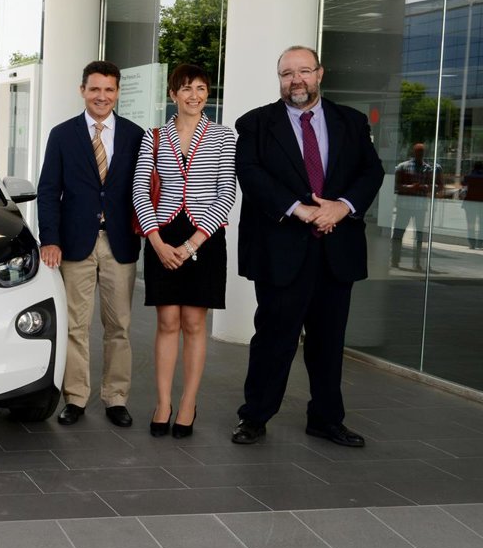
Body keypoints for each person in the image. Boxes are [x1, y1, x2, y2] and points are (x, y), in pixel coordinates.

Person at [232, 45, 383, 447]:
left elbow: (371, 171)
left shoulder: (351, 121)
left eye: (303, 71)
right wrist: (299, 209)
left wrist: (341, 207)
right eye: (287, 74)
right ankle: (254, 417)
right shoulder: (255, 123)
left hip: (337, 248)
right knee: (273, 339)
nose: (295, 80)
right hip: (282, 249)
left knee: (329, 342)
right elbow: (250, 173)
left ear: (320, 73)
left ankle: (326, 419)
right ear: (279, 79)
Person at [37, 60, 144, 427]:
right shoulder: (62, 135)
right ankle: (76, 397)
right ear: (82, 90)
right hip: (74, 245)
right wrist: (50, 239)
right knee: (74, 326)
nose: (102, 96)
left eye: (109, 89)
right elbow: (48, 191)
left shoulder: (135, 135)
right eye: (95, 89)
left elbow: (143, 189)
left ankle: (116, 398)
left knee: (119, 327)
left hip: (120, 243)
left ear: (118, 92)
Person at [132, 64, 237, 438]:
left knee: (194, 323)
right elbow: (139, 189)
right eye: (187, 88)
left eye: (201, 88)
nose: (194, 95)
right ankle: (163, 403)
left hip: (204, 237)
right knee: (167, 323)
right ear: (173, 94)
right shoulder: (153, 136)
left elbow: (227, 193)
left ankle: (188, 403)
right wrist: (157, 242)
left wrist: (193, 242)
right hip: (162, 233)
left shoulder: (224, 136)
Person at [390, 142, 443, 270]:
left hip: (420, 206)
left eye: (422, 152)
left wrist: (426, 187)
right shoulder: (403, 167)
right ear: (413, 152)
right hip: (404, 206)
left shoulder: (429, 168)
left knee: (419, 237)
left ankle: (418, 262)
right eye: (418, 152)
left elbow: (438, 186)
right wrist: (410, 187)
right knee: (398, 234)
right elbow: (395, 185)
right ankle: (395, 260)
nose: (420, 154)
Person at [462, 160, 483, 249]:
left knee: (471, 224)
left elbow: (463, 185)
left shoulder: (468, 177)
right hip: (481, 203)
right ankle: (481, 243)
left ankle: (472, 243)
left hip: (470, 203)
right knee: (482, 224)